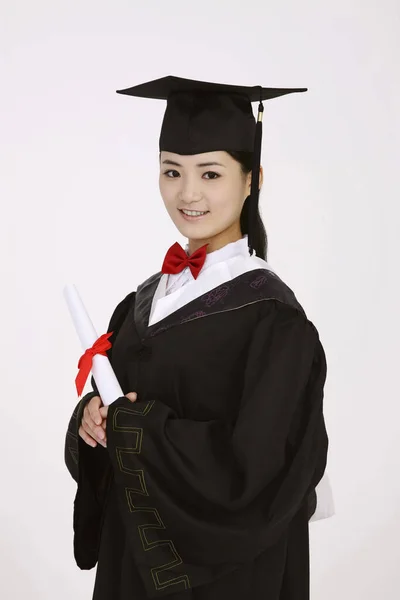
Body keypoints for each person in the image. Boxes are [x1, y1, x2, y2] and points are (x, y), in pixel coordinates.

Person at [64, 76, 333, 600]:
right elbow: (115, 436)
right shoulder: (140, 302)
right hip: (130, 564)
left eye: (210, 173)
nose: (188, 194)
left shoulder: (273, 321)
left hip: (226, 578)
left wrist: (139, 431)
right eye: (172, 172)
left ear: (252, 179)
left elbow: (260, 471)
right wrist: (93, 424)